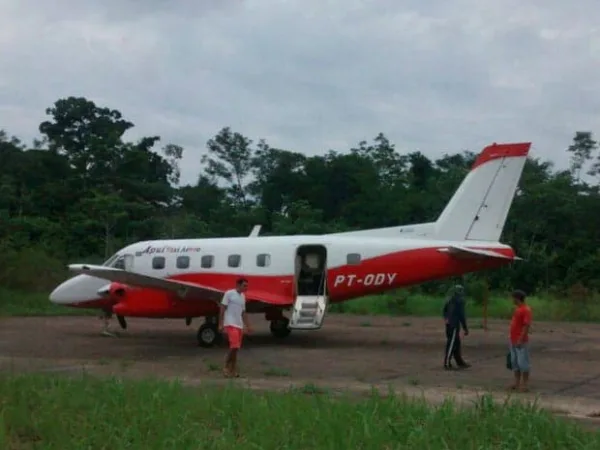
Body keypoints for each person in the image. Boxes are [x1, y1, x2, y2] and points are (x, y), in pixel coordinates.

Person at [218, 278, 252, 378]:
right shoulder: (229, 293)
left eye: (247, 286)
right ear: (238, 285)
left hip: (239, 324)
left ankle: (232, 369)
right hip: (230, 323)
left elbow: (243, 312)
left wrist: (248, 325)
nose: (246, 287)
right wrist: (220, 323)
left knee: (236, 349)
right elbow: (222, 308)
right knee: (234, 346)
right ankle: (226, 367)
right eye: (244, 285)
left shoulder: (242, 296)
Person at [508, 289, 532, 392]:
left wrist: (520, 339)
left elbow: (526, 326)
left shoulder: (526, 310)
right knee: (515, 362)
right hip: (513, 339)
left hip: (520, 341)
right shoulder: (518, 309)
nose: (512, 300)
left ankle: (525, 384)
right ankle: (516, 383)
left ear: (517, 298)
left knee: (523, 363)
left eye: (513, 298)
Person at [442, 284, 471, 370]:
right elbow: (461, 316)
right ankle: (447, 363)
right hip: (454, 325)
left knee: (456, 343)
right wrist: (465, 328)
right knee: (451, 343)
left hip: (449, 324)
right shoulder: (460, 301)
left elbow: (444, 311)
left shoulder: (449, 300)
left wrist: (446, 318)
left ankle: (459, 362)